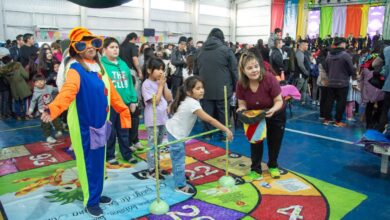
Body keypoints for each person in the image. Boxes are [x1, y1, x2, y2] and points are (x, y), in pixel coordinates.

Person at [40, 27, 131, 218]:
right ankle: (90, 201)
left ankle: (96, 194)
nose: (90, 47)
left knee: (99, 161)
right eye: (84, 44)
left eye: (94, 43)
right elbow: (67, 92)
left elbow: (112, 93)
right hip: (84, 126)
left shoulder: (101, 68)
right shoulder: (75, 69)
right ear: (76, 48)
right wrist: (53, 109)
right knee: (88, 163)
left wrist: (123, 110)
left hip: (101, 124)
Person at [166, 76, 233, 195]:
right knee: (178, 160)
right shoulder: (192, 103)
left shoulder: (188, 99)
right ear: (188, 91)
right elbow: (210, 120)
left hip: (174, 131)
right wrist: (225, 129)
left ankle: (179, 176)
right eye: (198, 88)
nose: (201, 90)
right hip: (175, 134)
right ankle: (180, 185)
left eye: (202, 88)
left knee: (178, 158)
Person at [236, 52, 286, 181]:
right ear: (243, 70)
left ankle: (273, 165)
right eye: (250, 68)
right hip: (256, 116)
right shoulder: (241, 84)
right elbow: (242, 103)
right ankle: (256, 169)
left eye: (256, 66)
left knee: (274, 142)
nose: (254, 70)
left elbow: (279, 101)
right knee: (256, 142)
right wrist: (241, 109)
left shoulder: (269, 79)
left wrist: (273, 110)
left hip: (276, 113)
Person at [193, 28, 238, 140]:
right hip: (223, 88)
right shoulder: (226, 51)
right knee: (223, 112)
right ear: (222, 38)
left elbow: (195, 72)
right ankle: (224, 134)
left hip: (205, 88)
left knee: (207, 112)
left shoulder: (199, 51)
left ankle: (208, 134)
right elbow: (234, 70)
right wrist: (236, 86)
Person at [101, 37, 139, 165]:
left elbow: (130, 84)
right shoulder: (101, 65)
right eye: (112, 47)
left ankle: (126, 154)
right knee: (110, 132)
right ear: (105, 50)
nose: (115, 49)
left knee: (124, 130)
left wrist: (133, 100)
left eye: (116, 47)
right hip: (110, 105)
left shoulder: (123, 64)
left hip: (125, 104)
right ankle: (110, 155)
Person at [141, 57, 173, 179]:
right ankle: (151, 169)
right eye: (158, 69)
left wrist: (164, 86)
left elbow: (169, 98)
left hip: (163, 118)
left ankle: (157, 166)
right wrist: (160, 87)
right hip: (152, 120)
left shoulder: (161, 83)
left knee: (159, 145)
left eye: (162, 69)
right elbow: (156, 101)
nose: (161, 72)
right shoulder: (146, 84)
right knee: (152, 145)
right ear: (149, 70)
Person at [323, 37, 356, 127]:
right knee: (341, 102)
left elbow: (325, 67)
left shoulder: (329, 54)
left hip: (331, 81)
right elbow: (351, 69)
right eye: (345, 43)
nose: (345, 45)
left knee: (329, 101)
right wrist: (348, 74)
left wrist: (331, 74)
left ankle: (327, 119)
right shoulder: (345, 55)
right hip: (342, 82)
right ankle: (338, 121)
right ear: (342, 44)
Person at [27, 75, 62, 143]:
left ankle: (59, 131)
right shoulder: (36, 93)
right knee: (46, 124)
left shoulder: (50, 87)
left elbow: (58, 90)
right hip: (43, 111)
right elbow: (33, 102)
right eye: (37, 82)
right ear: (34, 83)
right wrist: (30, 110)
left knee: (56, 120)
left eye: (41, 81)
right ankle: (48, 136)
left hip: (52, 108)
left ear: (45, 81)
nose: (40, 83)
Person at [0, 47, 32, 120]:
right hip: (22, 86)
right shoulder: (18, 65)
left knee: (17, 102)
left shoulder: (3, 70)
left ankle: (18, 116)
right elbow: (26, 76)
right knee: (24, 102)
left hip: (13, 88)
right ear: (11, 59)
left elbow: (6, 81)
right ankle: (24, 115)